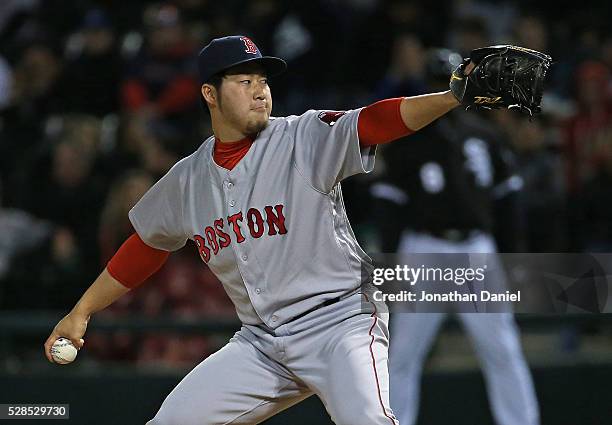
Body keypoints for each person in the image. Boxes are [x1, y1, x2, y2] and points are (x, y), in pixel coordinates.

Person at [44, 35, 482, 425]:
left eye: (263, 81)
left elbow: (375, 121)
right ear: (209, 94)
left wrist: (450, 97)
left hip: (341, 322)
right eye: (244, 81)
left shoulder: (302, 137)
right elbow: (146, 246)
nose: (260, 92)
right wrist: (82, 310)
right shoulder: (188, 179)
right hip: (263, 344)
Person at [372, 49, 540, 425]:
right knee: (403, 355)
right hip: (425, 249)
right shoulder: (408, 140)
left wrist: (516, 257)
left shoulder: (484, 134)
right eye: (436, 84)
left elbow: (509, 201)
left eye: (449, 83)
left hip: (476, 249)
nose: (445, 91)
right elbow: (389, 208)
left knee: (502, 349)